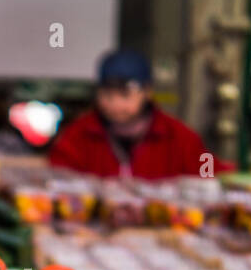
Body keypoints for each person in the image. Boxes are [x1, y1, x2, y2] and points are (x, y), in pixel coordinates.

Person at [49, 49, 210, 180]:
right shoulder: (77, 136)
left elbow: (210, 178)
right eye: (107, 95)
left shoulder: (180, 138)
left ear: (147, 92)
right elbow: (56, 178)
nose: (115, 104)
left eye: (125, 95)